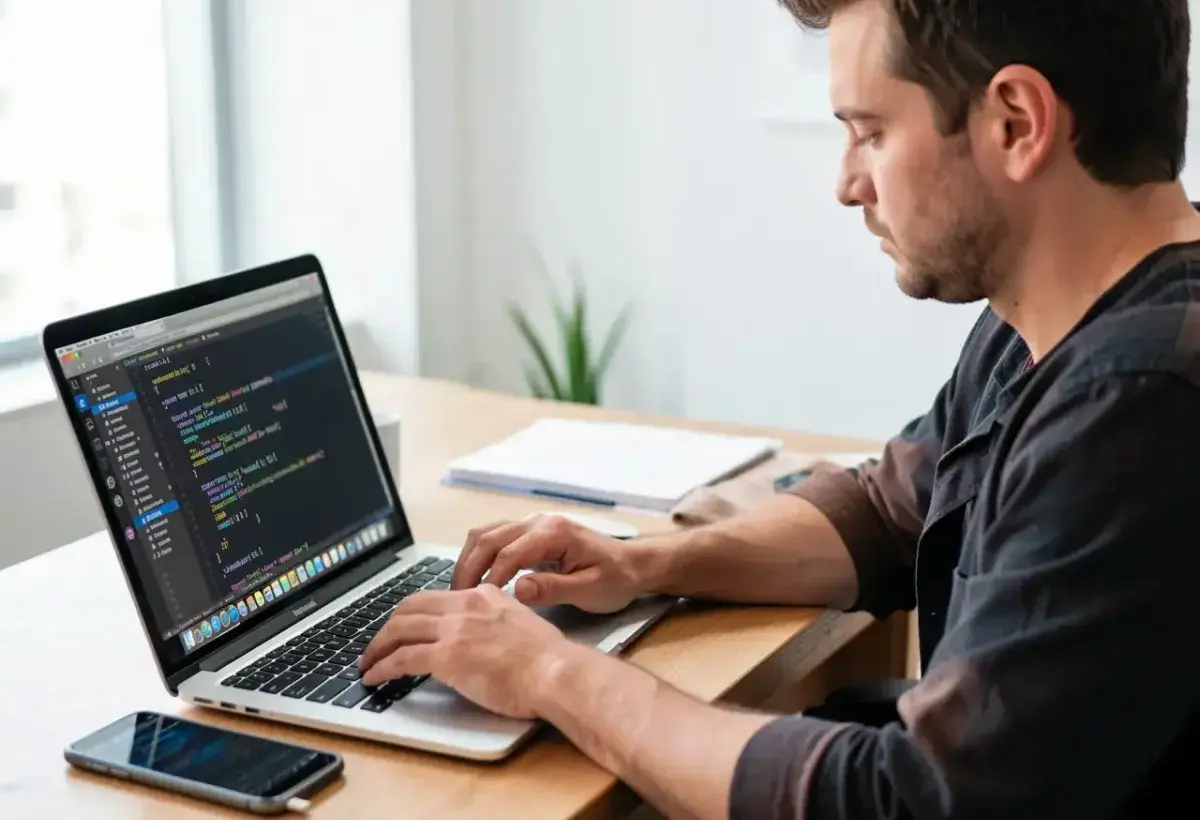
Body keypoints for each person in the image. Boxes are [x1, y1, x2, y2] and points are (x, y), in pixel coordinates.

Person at [360, 0, 1200, 816]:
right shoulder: (1061, 318)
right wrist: (644, 564)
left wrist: (553, 674)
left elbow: (908, 800)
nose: (846, 183)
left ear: (1017, 123)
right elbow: (889, 508)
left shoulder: (1135, 402)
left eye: (870, 132)